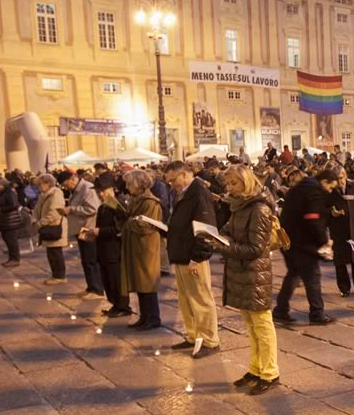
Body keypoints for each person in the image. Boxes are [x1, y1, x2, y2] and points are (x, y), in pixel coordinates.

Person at [217, 164, 281, 394]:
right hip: (240, 271)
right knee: (250, 325)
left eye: (234, 183)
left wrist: (224, 247)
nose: (229, 188)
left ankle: (270, 372)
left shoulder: (259, 209)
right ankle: (255, 368)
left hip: (255, 273)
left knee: (262, 325)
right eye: (228, 184)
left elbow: (255, 248)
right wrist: (217, 236)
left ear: (246, 182)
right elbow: (227, 229)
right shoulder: (238, 205)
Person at [163, 161, 220, 357]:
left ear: (183, 174)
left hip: (193, 256)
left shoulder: (198, 193)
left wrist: (198, 256)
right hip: (181, 254)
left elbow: (206, 228)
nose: (171, 185)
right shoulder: (186, 192)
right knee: (186, 298)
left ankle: (209, 341)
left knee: (201, 299)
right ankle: (194, 335)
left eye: (172, 180)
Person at [273, 168, 333, 326]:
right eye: (330, 186)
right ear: (324, 181)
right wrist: (323, 241)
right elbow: (313, 218)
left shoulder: (298, 188)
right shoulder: (314, 192)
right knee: (313, 277)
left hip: (288, 240)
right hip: (303, 242)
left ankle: (280, 310)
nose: (330, 190)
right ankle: (317, 314)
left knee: (293, 274)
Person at [120, 169, 163, 330]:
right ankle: (144, 316)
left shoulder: (150, 202)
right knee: (140, 284)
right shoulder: (136, 199)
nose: (127, 187)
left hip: (146, 248)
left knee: (147, 283)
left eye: (129, 184)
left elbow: (146, 226)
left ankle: (153, 317)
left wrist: (129, 221)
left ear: (139, 184)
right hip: (136, 246)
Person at [90, 174, 132, 318]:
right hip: (103, 248)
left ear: (112, 189)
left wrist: (100, 231)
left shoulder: (117, 203)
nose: (101, 194)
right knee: (107, 278)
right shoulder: (104, 205)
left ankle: (123, 306)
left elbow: (120, 227)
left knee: (116, 279)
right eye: (98, 191)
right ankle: (115, 304)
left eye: (104, 190)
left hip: (114, 248)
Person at [327, 166, 354, 297]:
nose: (340, 182)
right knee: (340, 262)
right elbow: (324, 208)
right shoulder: (330, 191)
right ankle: (344, 288)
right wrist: (331, 213)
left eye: (341, 178)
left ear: (345, 176)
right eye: (336, 179)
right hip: (338, 230)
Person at [63, 172, 104, 299]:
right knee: (86, 260)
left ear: (72, 179)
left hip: (88, 228)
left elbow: (93, 208)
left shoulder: (87, 188)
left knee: (91, 259)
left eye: (65, 184)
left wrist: (72, 209)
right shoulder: (77, 190)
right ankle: (91, 287)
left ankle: (97, 289)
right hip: (81, 228)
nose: (66, 187)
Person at [32, 174, 68, 284]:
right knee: (51, 252)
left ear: (48, 183)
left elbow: (54, 213)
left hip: (54, 227)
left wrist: (41, 223)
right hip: (47, 226)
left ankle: (59, 276)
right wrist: (34, 219)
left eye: (40, 184)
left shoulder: (55, 194)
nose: (39, 187)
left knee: (56, 253)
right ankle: (55, 275)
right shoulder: (44, 195)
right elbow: (37, 209)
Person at [0, 178, 23, 267]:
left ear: (3, 184)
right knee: (7, 239)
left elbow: (13, 205)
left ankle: (15, 259)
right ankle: (11, 258)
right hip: (4, 220)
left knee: (11, 240)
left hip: (10, 220)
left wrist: (0, 209)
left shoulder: (10, 192)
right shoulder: (2, 193)